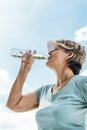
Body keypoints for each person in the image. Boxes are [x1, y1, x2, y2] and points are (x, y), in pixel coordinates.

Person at [7, 39, 87, 130]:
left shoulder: (82, 83)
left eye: (55, 49)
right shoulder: (44, 91)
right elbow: (14, 104)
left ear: (69, 55)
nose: (49, 53)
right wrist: (24, 70)